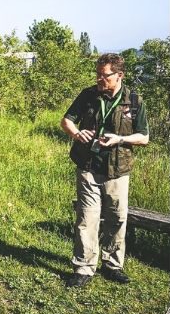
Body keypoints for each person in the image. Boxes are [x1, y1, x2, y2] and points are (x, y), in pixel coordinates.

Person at [60, 53, 149, 288]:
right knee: (86, 219)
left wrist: (119, 139)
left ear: (119, 75)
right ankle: (83, 268)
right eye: (98, 74)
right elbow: (66, 121)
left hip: (118, 170)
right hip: (88, 166)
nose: (100, 79)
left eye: (104, 75)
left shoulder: (135, 100)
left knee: (117, 218)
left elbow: (144, 137)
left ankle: (112, 265)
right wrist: (76, 133)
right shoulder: (88, 95)